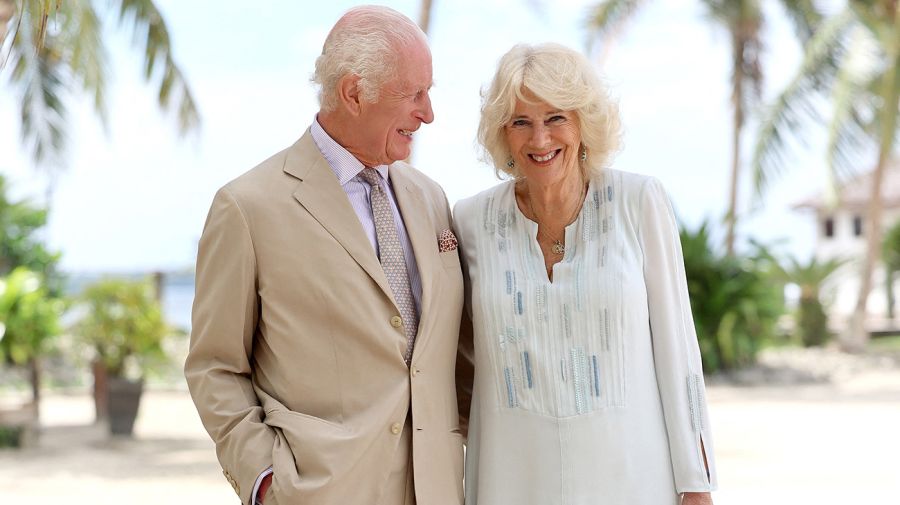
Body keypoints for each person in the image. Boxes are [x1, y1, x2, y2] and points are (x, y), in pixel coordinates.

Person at [185, 6, 466, 505]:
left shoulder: (431, 199)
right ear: (354, 93)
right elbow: (215, 367)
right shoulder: (248, 208)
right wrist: (264, 479)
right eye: (413, 94)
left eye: (430, 92)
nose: (428, 113)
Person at [453, 43, 717, 505]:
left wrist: (696, 482)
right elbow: (456, 356)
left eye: (556, 117)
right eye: (521, 121)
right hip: (511, 477)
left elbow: (678, 351)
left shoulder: (639, 202)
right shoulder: (471, 221)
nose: (539, 139)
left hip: (633, 475)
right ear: (503, 133)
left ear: (583, 123)